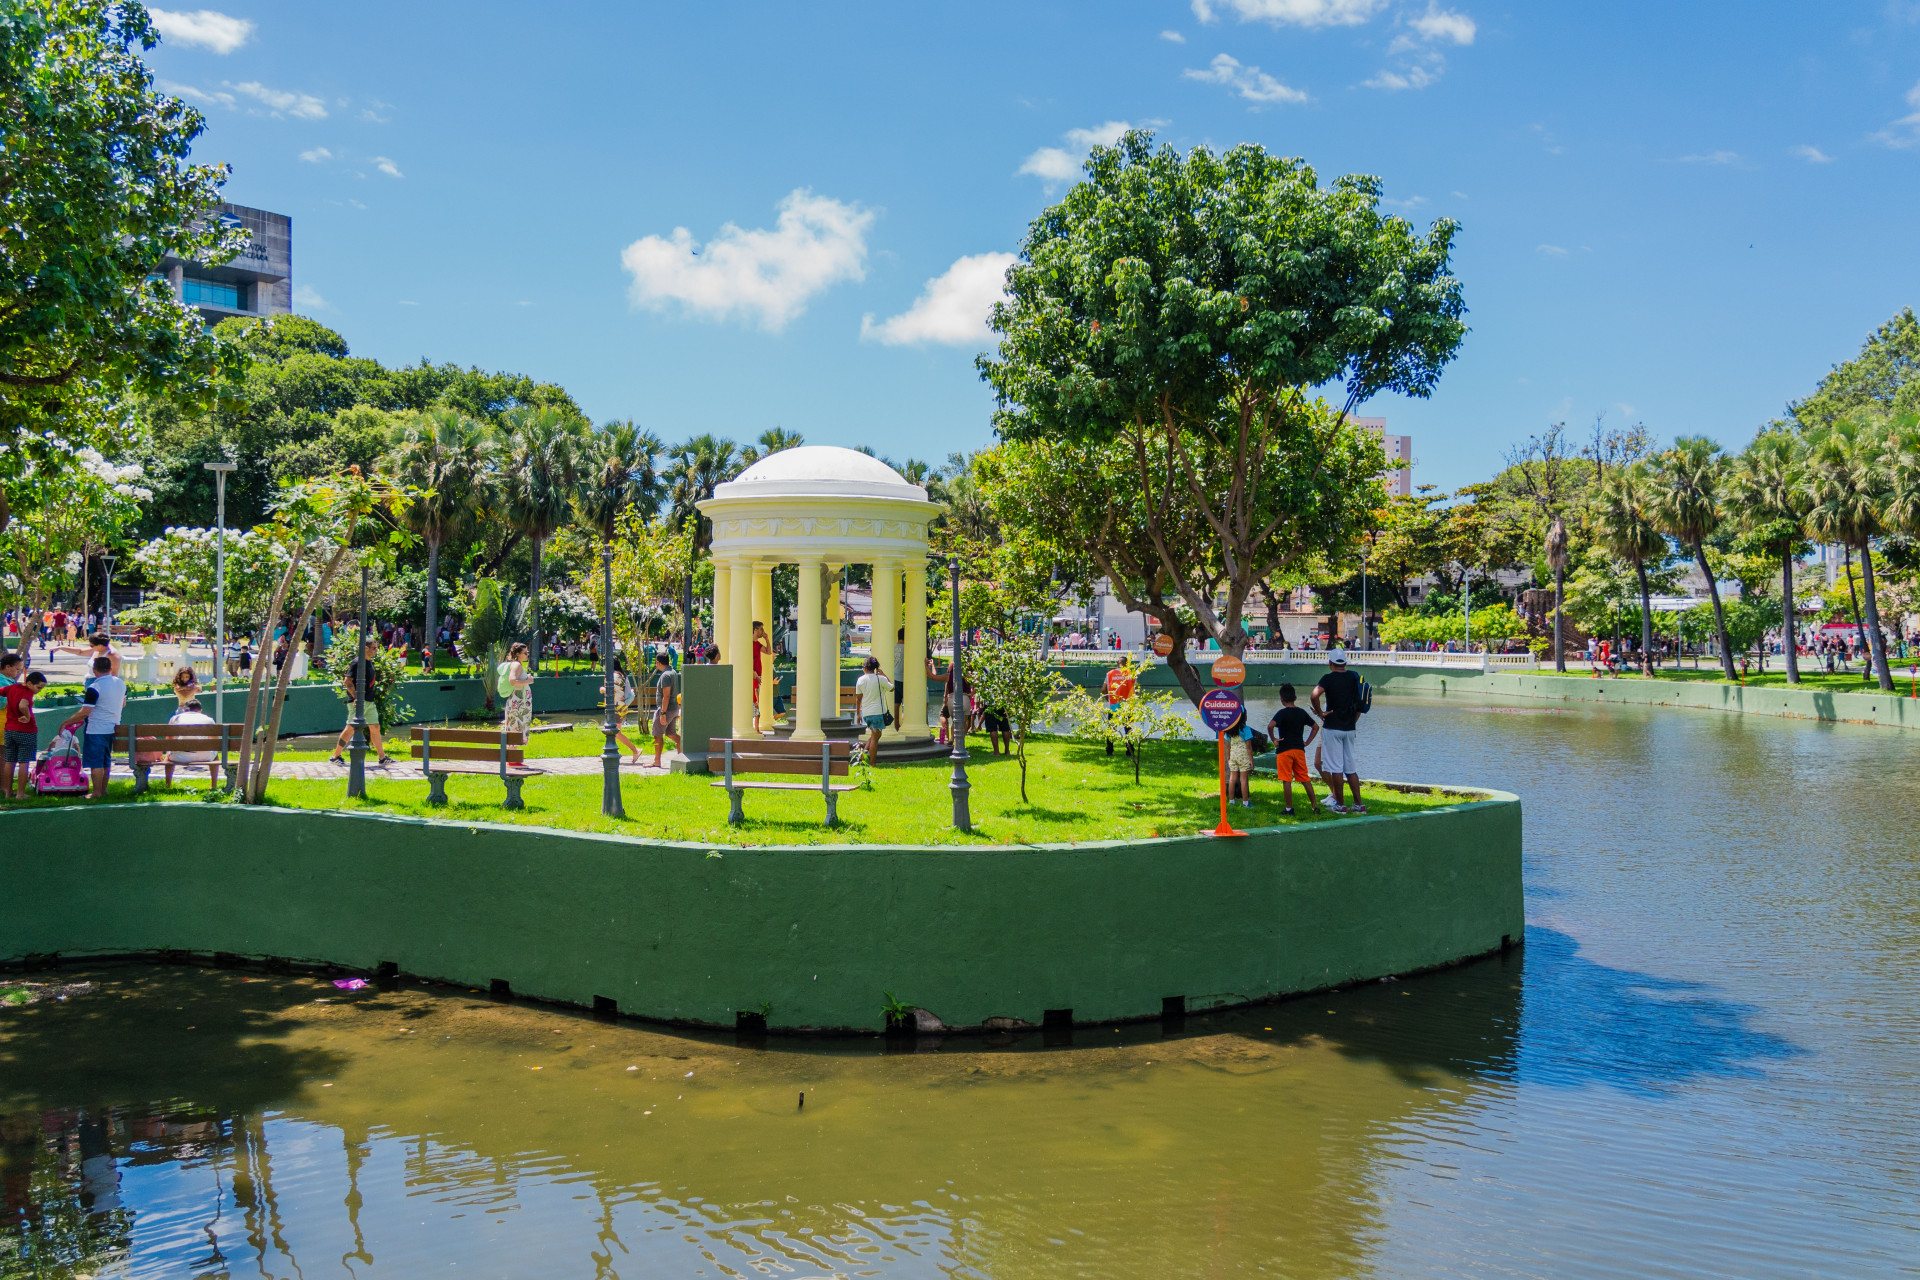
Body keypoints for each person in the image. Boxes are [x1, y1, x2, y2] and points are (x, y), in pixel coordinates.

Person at [60, 655, 125, 799]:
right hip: (114, 727)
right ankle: (103, 790)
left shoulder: (94, 687)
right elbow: (123, 703)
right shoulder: (121, 683)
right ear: (110, 668)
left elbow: (85, 711)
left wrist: (66, 722)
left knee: (96, 762)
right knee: (106, 761)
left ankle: (96, 792)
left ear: (94, 670)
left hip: (96, 729)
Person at [1310, 649, 1365, 814]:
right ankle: (1359, 804)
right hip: (1349, 727)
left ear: (1330, 663)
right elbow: (1361, 701)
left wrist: (1320, 713)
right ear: (1345, 663)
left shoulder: (1328, 678)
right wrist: (1353, 720)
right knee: (1351, 769)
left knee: (1336, 768)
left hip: (1333, 727)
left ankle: (1340, 805)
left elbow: (1314, 695)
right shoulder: (1354, 677)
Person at [326, 638, 393, 766]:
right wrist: (356, 697)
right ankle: (335, 756)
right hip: (358, 702)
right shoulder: (357, 662)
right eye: (374, 648)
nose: (376, 650)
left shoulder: (368, 662)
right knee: (350, 728)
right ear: (366, 648)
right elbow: (347, 681)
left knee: (375, 727)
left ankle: (382, 758)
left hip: (369, 701)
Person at [1266, 683, 1324, 816]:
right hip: (1299, 750)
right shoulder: (1301, 712)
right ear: (1295, 698)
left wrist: (1274, 739)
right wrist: (1307, 742)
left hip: (1284, 750)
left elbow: (1270, 726)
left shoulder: (1281, 713)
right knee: (1305, 778)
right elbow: (1315, 727)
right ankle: (1314, 806)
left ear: (1281, 699)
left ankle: (1289, 809)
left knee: (1286, 780)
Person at [3, 669, 46, 799]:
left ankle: (8, 792)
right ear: (29, 683)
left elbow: (2, 691)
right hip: (26, 731)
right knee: (24, 762)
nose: (39, 691)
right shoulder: (27, 692)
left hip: (9, 729)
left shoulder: (12, 687)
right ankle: (20, 794)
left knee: (9, 761)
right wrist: (27, 716)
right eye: (38, 687)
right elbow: (23, 705)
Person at [164, 698, 220, 790]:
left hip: (179, 757)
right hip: (205, 756)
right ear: (200, 710)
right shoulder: (209, 720)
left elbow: (169, 740)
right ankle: (213, 785)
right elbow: (214, 742)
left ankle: (167, 785)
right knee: (215, 756)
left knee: (168, 755)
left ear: (184, 710)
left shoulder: (175, 719)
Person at [855, 655, 892, 759]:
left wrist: (858, 714)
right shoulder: (881, 679)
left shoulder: (860, 680)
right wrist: (884, 675)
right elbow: (892, 688)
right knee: (875, 738)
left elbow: (858, 699)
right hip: (878, 713)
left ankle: (862, 756)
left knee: (874, 735)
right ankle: (872, 763)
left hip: (867, 713)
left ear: (865, 667)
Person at [650, 650, 682, 767]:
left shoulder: (665, 675)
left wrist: (662, 713)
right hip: (673, 708)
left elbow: (666, 695)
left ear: (658, 663)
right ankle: (682, 756)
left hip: (666, 709)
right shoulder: (672, 672)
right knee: (671, 733)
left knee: (657, 734)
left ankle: (656, 761)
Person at [1102, 654, 1137, 757]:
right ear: (1127, 664)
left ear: (1118, 663)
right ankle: (1130, 752)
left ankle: (1109, 751)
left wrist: (1109, 700)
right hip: (1127, 705)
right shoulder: (1131, 674)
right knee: (1128, 729)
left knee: (1111, 729)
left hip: (1114, 705)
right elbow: (1135, 690)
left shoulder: (1110, 674)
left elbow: (1103, 690)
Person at [53, 632, 122, 682]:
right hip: (90, 680)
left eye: (92, 645)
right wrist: (61, 647)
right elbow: (80, 652)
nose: (91, 647)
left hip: (100, 683)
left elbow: (114, 675)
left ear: (100, 645)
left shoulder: (112, 655)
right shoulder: (97, 649)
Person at [498, 641, 534, 737]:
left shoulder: (517, 664)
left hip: (519, 702)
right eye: (525, 653)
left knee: (517, 728)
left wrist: (526, 679)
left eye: (527, 652)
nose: (527, 654)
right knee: (517, 730)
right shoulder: (516, 665)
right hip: (518, 704)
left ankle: (514, 746)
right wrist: (529, 680)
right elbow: (513, 681)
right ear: (518, 654)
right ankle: (514, 747)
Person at [1224, 706, 1255, 807]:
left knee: (1232, 779)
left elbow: (1228, 747)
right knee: (1243, 780)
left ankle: (1231, 801)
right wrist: (1251, 760)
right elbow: (1249, 747)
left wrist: (1228, 758)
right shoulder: (1246, 729)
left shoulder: (1229, 730)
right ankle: (1245, 803)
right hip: (1243, 757)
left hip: (1233, 756)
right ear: (1244, 717)